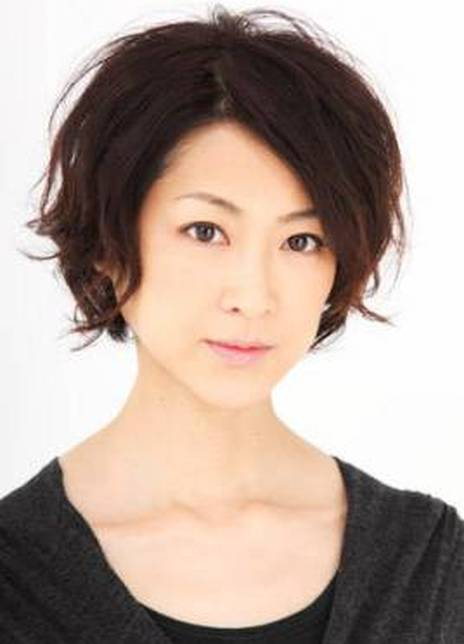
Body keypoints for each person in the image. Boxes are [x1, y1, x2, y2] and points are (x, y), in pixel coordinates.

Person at [1, 5, 462, 643]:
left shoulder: (429, 565)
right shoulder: (16, 576)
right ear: (109, 241)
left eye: (301, 241)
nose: (254, 296)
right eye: (205, 231)